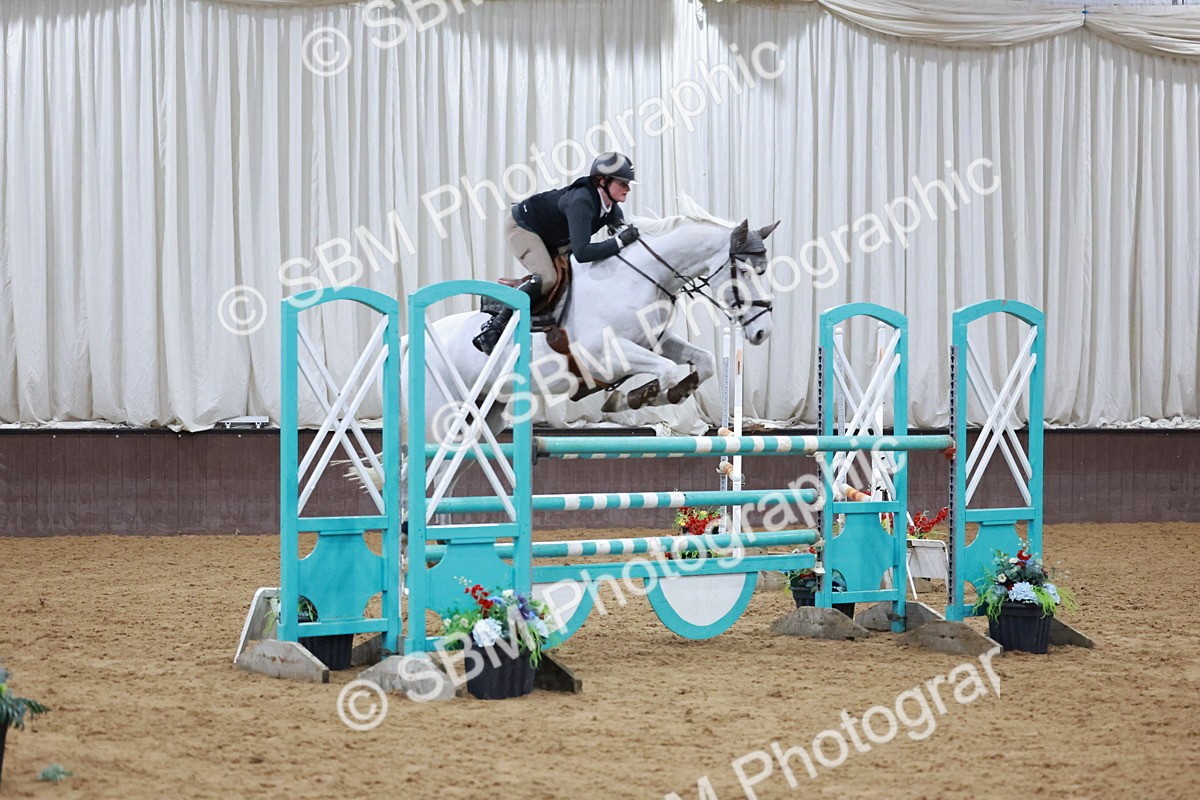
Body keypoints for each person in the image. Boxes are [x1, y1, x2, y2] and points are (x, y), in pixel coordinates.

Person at [473, 151, 641, 354]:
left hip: (552, 235)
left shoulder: (610, 207)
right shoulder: (582, 201)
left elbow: (621, 235)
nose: (627, 189)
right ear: (602, 181)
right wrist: (618, 242)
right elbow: (583, 252)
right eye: (623, 183)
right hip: (523, 227)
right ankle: (493, 327)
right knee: (548, 278)